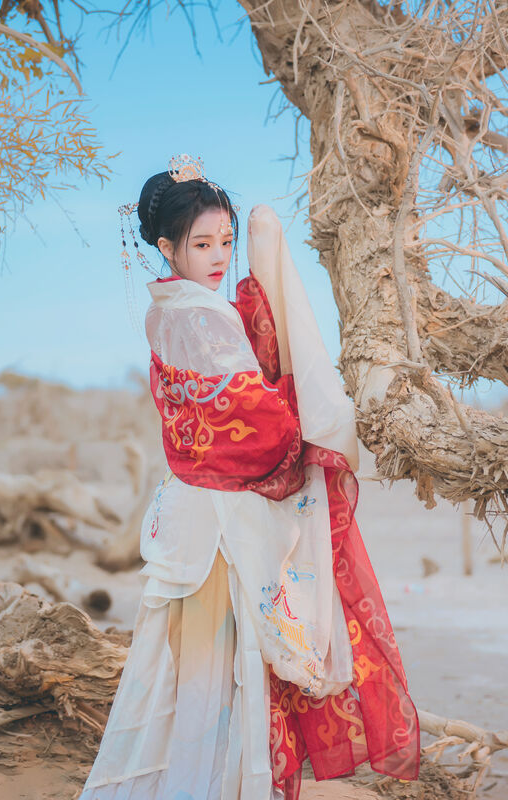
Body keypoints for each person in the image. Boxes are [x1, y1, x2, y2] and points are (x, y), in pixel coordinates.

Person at [80, 156, 419, 800]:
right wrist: (306, 404)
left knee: (199, 677)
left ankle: (203, 785)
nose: (218, 256)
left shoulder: (166, 311)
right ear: (167, 248)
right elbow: (257, 424)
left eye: (225, 241)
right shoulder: (202, 316)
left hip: (188, 511)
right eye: (202, 244)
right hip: (220, 524)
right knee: (222, 676)